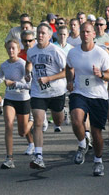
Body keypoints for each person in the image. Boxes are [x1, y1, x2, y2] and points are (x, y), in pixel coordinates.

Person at [66, 22, 109, 176]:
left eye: (88, 32)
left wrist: (100, 75)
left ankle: (98, 161)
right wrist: (69, 80)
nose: (85, 35)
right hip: (80, 93)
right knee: (76, 118)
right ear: (79, 34)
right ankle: (82, 144)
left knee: (96, 133)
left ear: (94, 34)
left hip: (98, 96)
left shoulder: (101, 54)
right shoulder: (73, 53)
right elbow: (68, 67)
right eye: (83, 32)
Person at [26, 23, 67, 169]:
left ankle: (63, 112)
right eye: (38, 33)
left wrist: (49, 79)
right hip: (38, 92)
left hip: (56, 92)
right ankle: (38, 156)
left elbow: (66, 71)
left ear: (50, 36)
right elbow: (29, 63)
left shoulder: (56, 51)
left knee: (58, 120)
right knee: (38, 122)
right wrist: (27, 73)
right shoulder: (32, 51)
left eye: (43, 33)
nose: (40, 35)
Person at [0, 39, 31, 169]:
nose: (11, 51)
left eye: (13, 48)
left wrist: (15, 84)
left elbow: (30, 85)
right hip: (9, 99)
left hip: (23, 99)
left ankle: (33, 121)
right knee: (8, 125)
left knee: (23, 131)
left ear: (18, 50)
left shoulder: (23, 64)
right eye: (9, 48)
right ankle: (9, 158)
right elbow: (1, 77)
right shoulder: (4, 65)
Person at [19, 30, 48, 155]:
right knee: (24, 122)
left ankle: (43, 117)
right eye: (25, 41)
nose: (27, 43)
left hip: (39, 90)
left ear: (34, 40)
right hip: (23, 90)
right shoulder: (19, 54)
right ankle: (31, 144)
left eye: (30, 41)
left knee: (33, 119)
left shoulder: (40, 52)